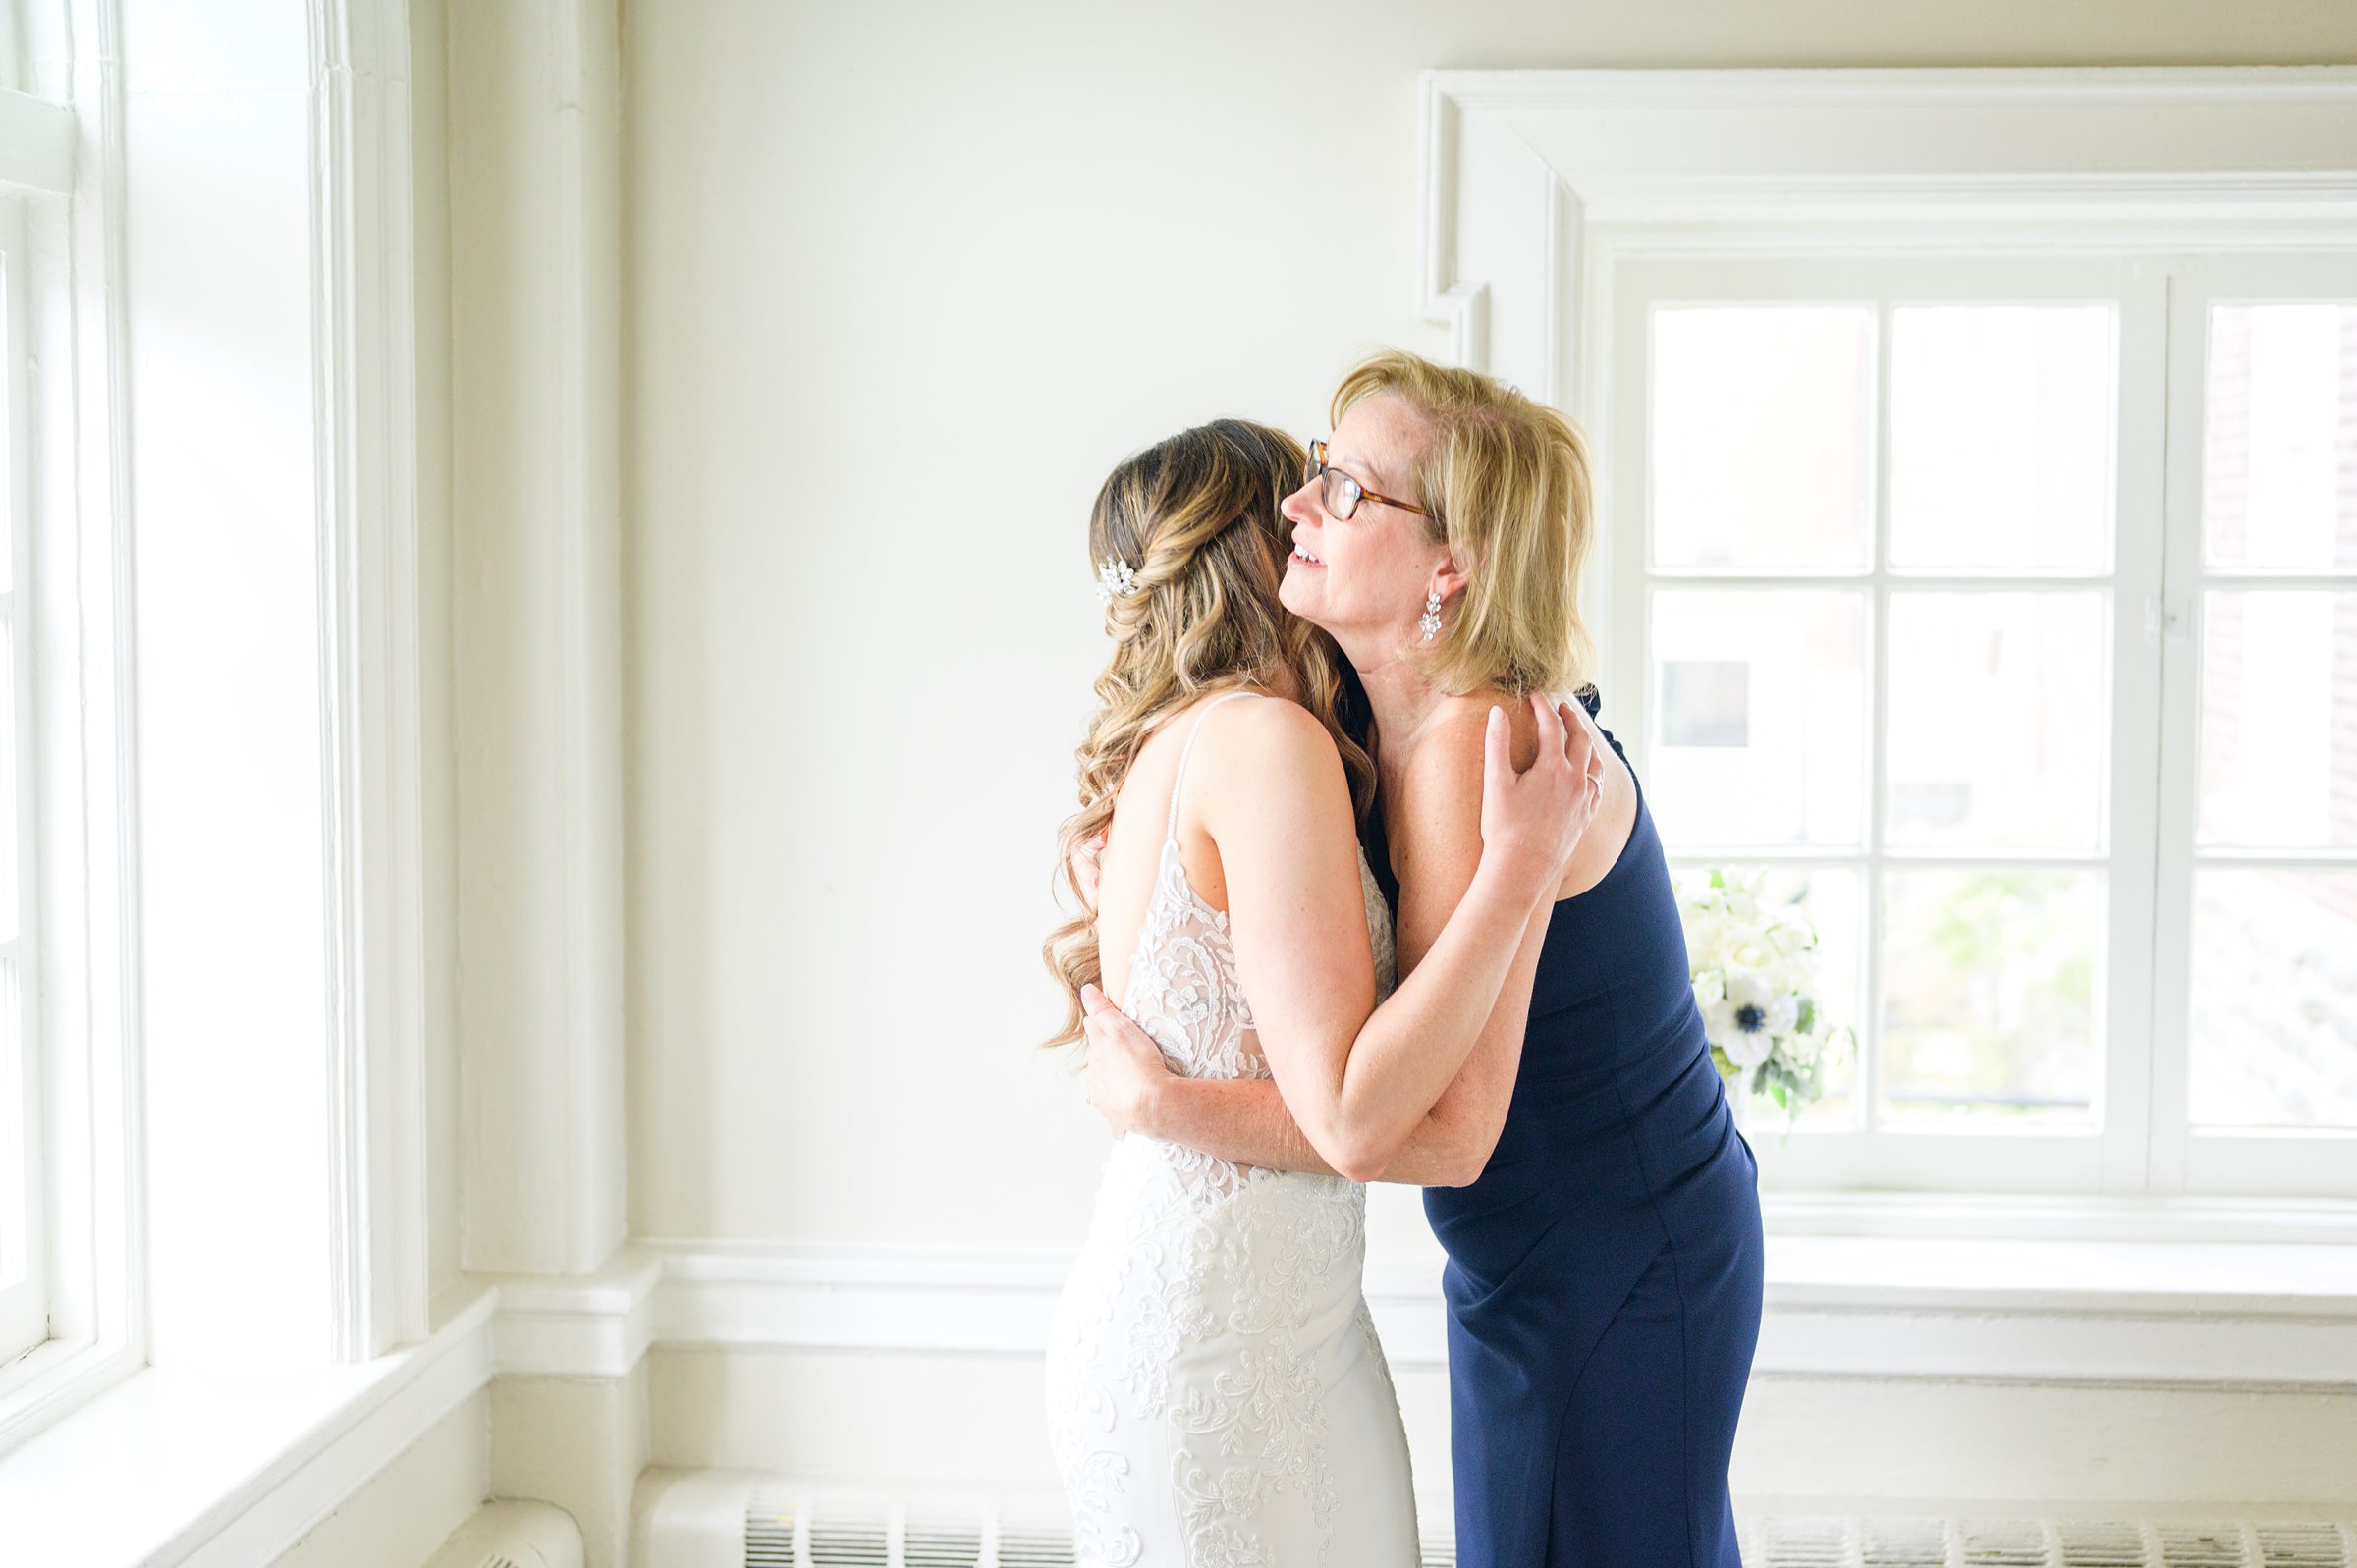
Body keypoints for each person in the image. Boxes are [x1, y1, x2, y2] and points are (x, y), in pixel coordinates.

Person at [1080, 351, 1766, 1568]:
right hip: (1530, 1245)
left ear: (1449, 564)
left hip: (1614, 1249)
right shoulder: (1373, 720)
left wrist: (1167, 1105)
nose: (1299, 503)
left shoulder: (1474, 743)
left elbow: (1449, 1133)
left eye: (1344, 488)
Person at [1040, 416, 1602, 1568]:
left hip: (1248, 1321)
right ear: (1255, 548)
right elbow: (1351, 1109)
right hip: (1229, 1349)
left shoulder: (1189, 740)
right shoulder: (1265, 742)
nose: (1317, 518)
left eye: (1337, 495)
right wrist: (1521, 868)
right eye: (1302, 498)